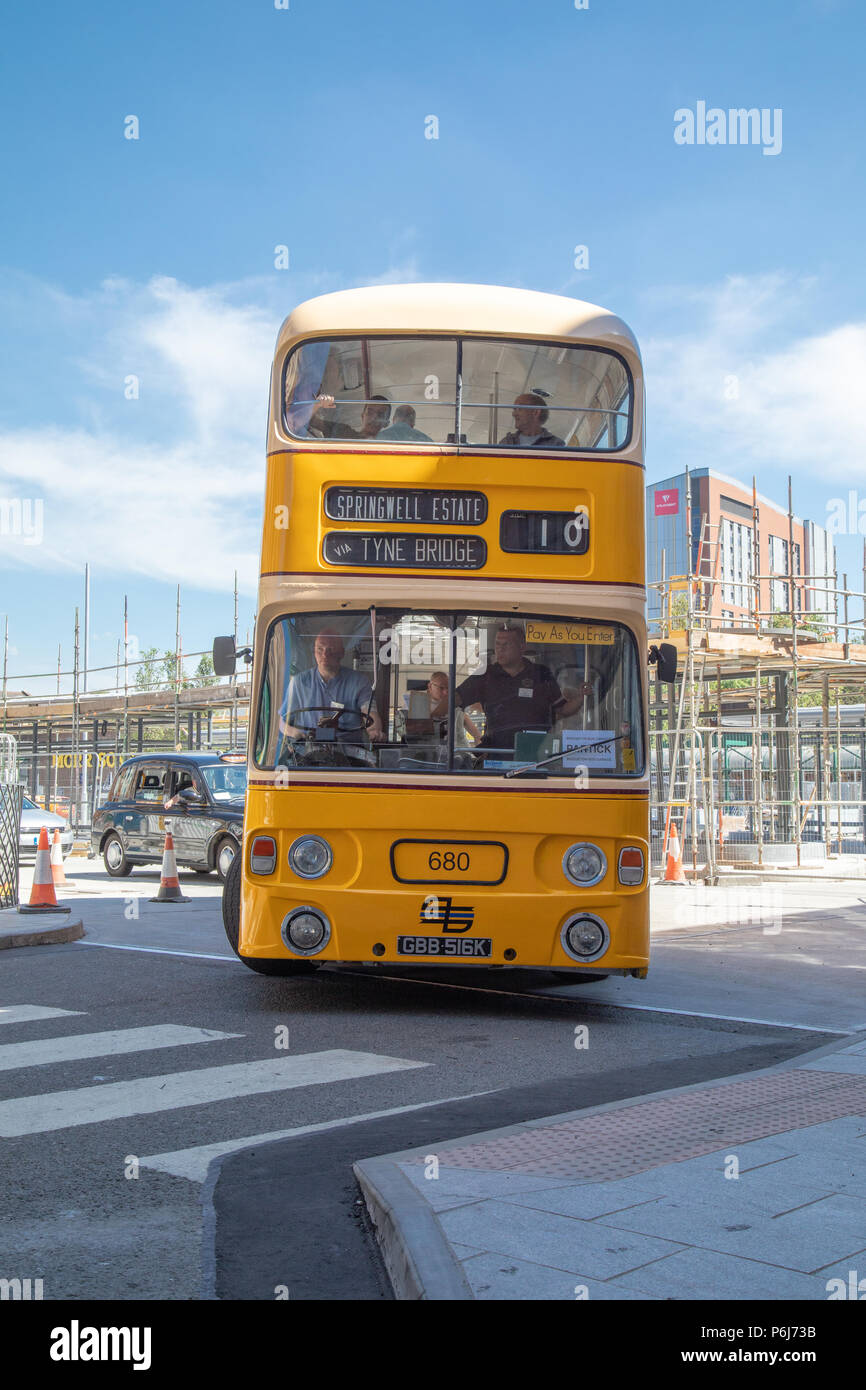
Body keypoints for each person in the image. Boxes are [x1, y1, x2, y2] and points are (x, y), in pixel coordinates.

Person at [432, 623, 589, 750]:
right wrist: (430, 716)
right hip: (496, 753)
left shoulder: (541, 675)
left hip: (537, 751)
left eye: (506, 644)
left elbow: (562, 710)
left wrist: (581, 698)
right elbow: (456, 698)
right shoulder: (486, 675)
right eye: (497, 644)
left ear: (522, 647)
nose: (500, 648)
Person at [279, 629, 384, 743]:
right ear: (314, 652)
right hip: (307, 752)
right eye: (320, 649)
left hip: (350, 753)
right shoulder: (299, 682)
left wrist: (374, 731)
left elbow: (371, 715)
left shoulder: (359, 682)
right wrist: (297, 734)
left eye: (330, 649)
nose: (325, 654)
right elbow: (282, 722)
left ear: (341, 653)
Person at [307, 393, 392, 439]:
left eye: (380, 415)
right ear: (362, 416)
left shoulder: (390, 448)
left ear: (386, 423)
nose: (374, 418)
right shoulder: (342, 431)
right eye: (370, 413)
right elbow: (310, 421)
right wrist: (318, 405)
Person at [498, 393, 566, 449]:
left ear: (536, 412)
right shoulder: (507, 442)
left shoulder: (556, 445)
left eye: (519, 409)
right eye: (514, 409)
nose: (514, 414)